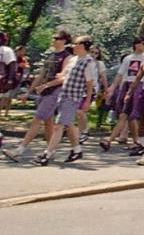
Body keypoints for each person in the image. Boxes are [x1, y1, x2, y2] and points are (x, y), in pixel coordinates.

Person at [3, 29, 72, 162]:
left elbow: (64, 78)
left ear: (64, 40)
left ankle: (19, 150)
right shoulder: (51, 55)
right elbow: (41, 75)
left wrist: (46, 86)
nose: (54, 40)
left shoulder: (67, 57)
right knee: (48, 122)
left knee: (37, 119)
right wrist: (29, 91)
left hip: (54, 92)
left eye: (57, 38)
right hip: (44, 91)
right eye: (53, 38)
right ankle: (50, 151)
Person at [32, 35, 97, 166]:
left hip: (73, 98)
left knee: (58, 126)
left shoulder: (88, 62)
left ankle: (47, 154)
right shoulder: (73, 60)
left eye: (76, 44)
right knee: (69, 124)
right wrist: (46, 85)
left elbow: (90, 84)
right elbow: (63, 78)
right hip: (63, 95)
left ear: (84, 45)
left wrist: (87, 101)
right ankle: (77, 150)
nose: (73, 46)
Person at [100, 37, 144, 152]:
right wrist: (112, 87)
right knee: (123, 115)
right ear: (136, 45)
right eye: (142, 43)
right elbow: (120, 74)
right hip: (127, 85)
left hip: (140, 86)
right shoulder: (128, 58)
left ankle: (113, 140)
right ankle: (131, 141)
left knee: (132, 116)